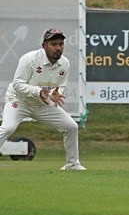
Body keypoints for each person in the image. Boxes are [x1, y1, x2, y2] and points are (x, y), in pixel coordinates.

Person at [0, 28, 86, 171]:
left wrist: (53, 95)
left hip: (42, 103)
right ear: (44, 45)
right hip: (18, 100)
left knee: (71, 127)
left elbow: (61, 86)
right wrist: (39, 92)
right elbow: (18, 85)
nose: (58, 48)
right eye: (54, 44)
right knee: (8, 128)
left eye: (61, 44)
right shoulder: (29, 59)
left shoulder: (64, 63)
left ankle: (72, 165)